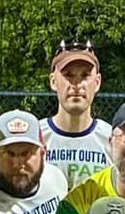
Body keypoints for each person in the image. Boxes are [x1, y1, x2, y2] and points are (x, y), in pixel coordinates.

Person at [43, 40, 114, 191]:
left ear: (97, 82)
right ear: (53, 81)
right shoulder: (36, 137)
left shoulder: (112, 140)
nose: (76, 84)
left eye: (85, 75)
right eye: (68, 75)